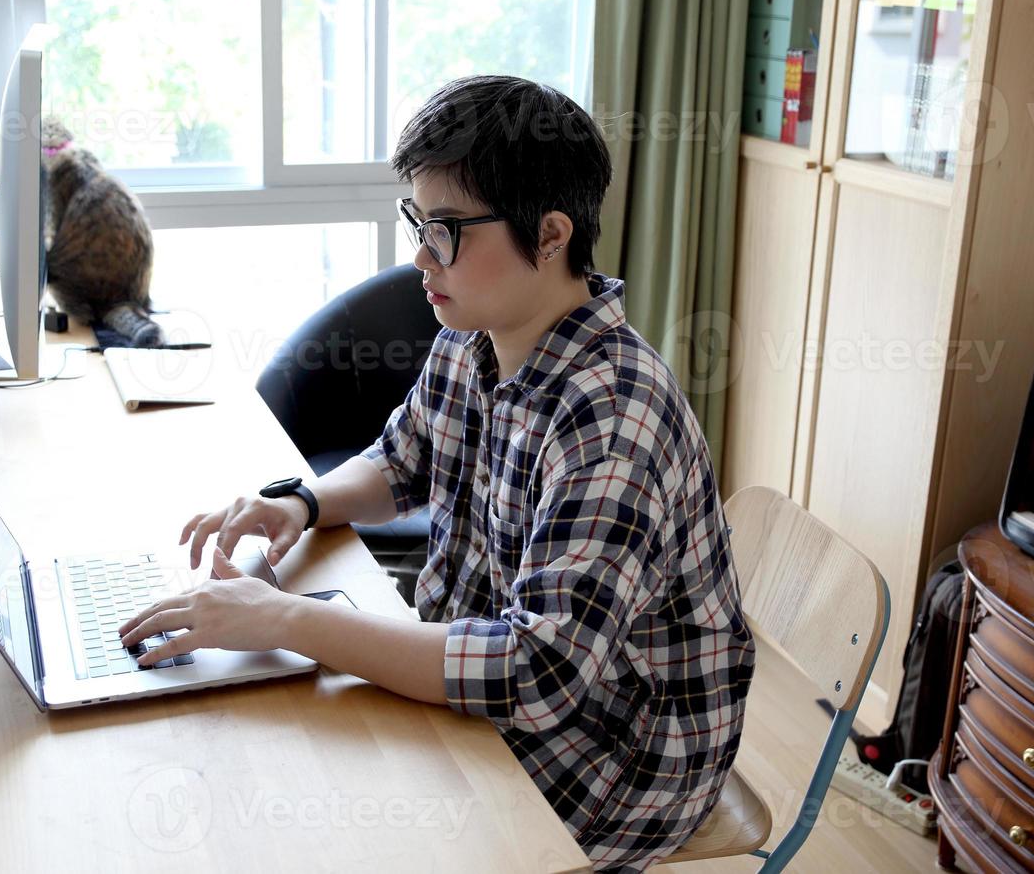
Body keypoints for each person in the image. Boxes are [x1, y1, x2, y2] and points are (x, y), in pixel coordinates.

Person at [119, 75, 755, 871]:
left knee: (308, 803)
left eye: (448, 229)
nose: (421, 255)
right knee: (271, 753)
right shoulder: (475, 329)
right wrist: (303, 503)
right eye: (419, 221)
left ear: (551, 234)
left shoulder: (614, 418)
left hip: (614, 754)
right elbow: (403, 459)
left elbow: (536, 675)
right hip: (500, 679)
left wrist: (282, 620)